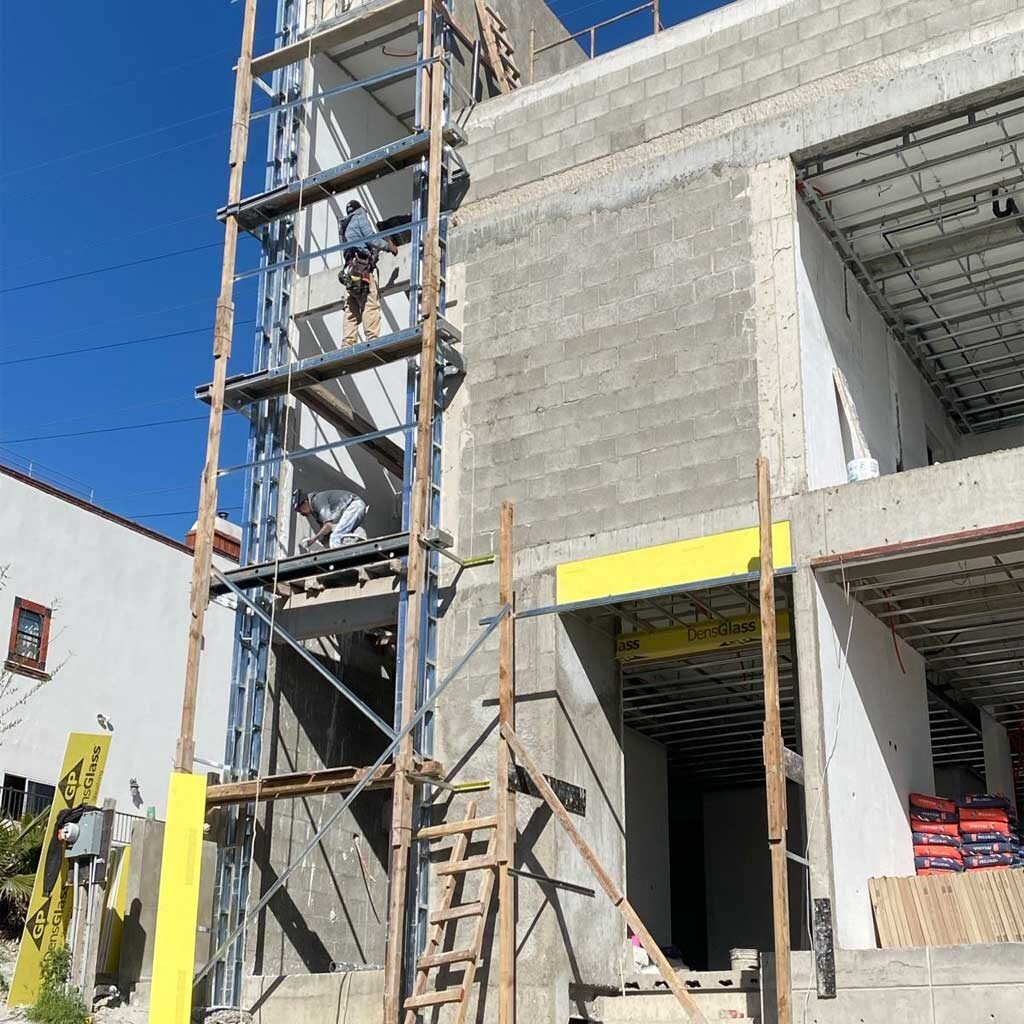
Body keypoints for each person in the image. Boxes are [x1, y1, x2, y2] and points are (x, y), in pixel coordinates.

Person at [338, 199, 398, 346]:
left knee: (351, 308)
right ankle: (372, 338)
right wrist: (388, 247)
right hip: (362, 268)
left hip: (349, 270)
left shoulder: (343, 227)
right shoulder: (360, 217)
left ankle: (347, 343)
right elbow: (371, 238)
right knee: (370, 302)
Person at [293, 487, 369, 551]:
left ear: (305, 502)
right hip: (353, 508)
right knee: (339, 538)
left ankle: (354, 550)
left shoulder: (317, 500)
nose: (301, 512)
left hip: (354, 505)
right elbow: (326, 533)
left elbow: (328, 526)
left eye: (300, 509)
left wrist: (312, 540)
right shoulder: (315, 512)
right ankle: (357, 544)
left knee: (335, 537)